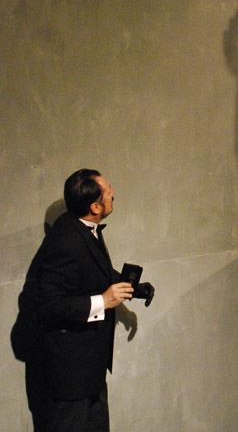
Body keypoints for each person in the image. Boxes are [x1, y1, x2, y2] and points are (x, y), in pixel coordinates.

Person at [18, 169, 155, 432]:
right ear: (95, 207)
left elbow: (95, 272)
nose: (113, 193)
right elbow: (47, 307)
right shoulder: (64, 241)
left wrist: (135, 289)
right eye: (108, 190)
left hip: (91, 370)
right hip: (70, 378)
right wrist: (103, 301)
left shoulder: (82, 227)